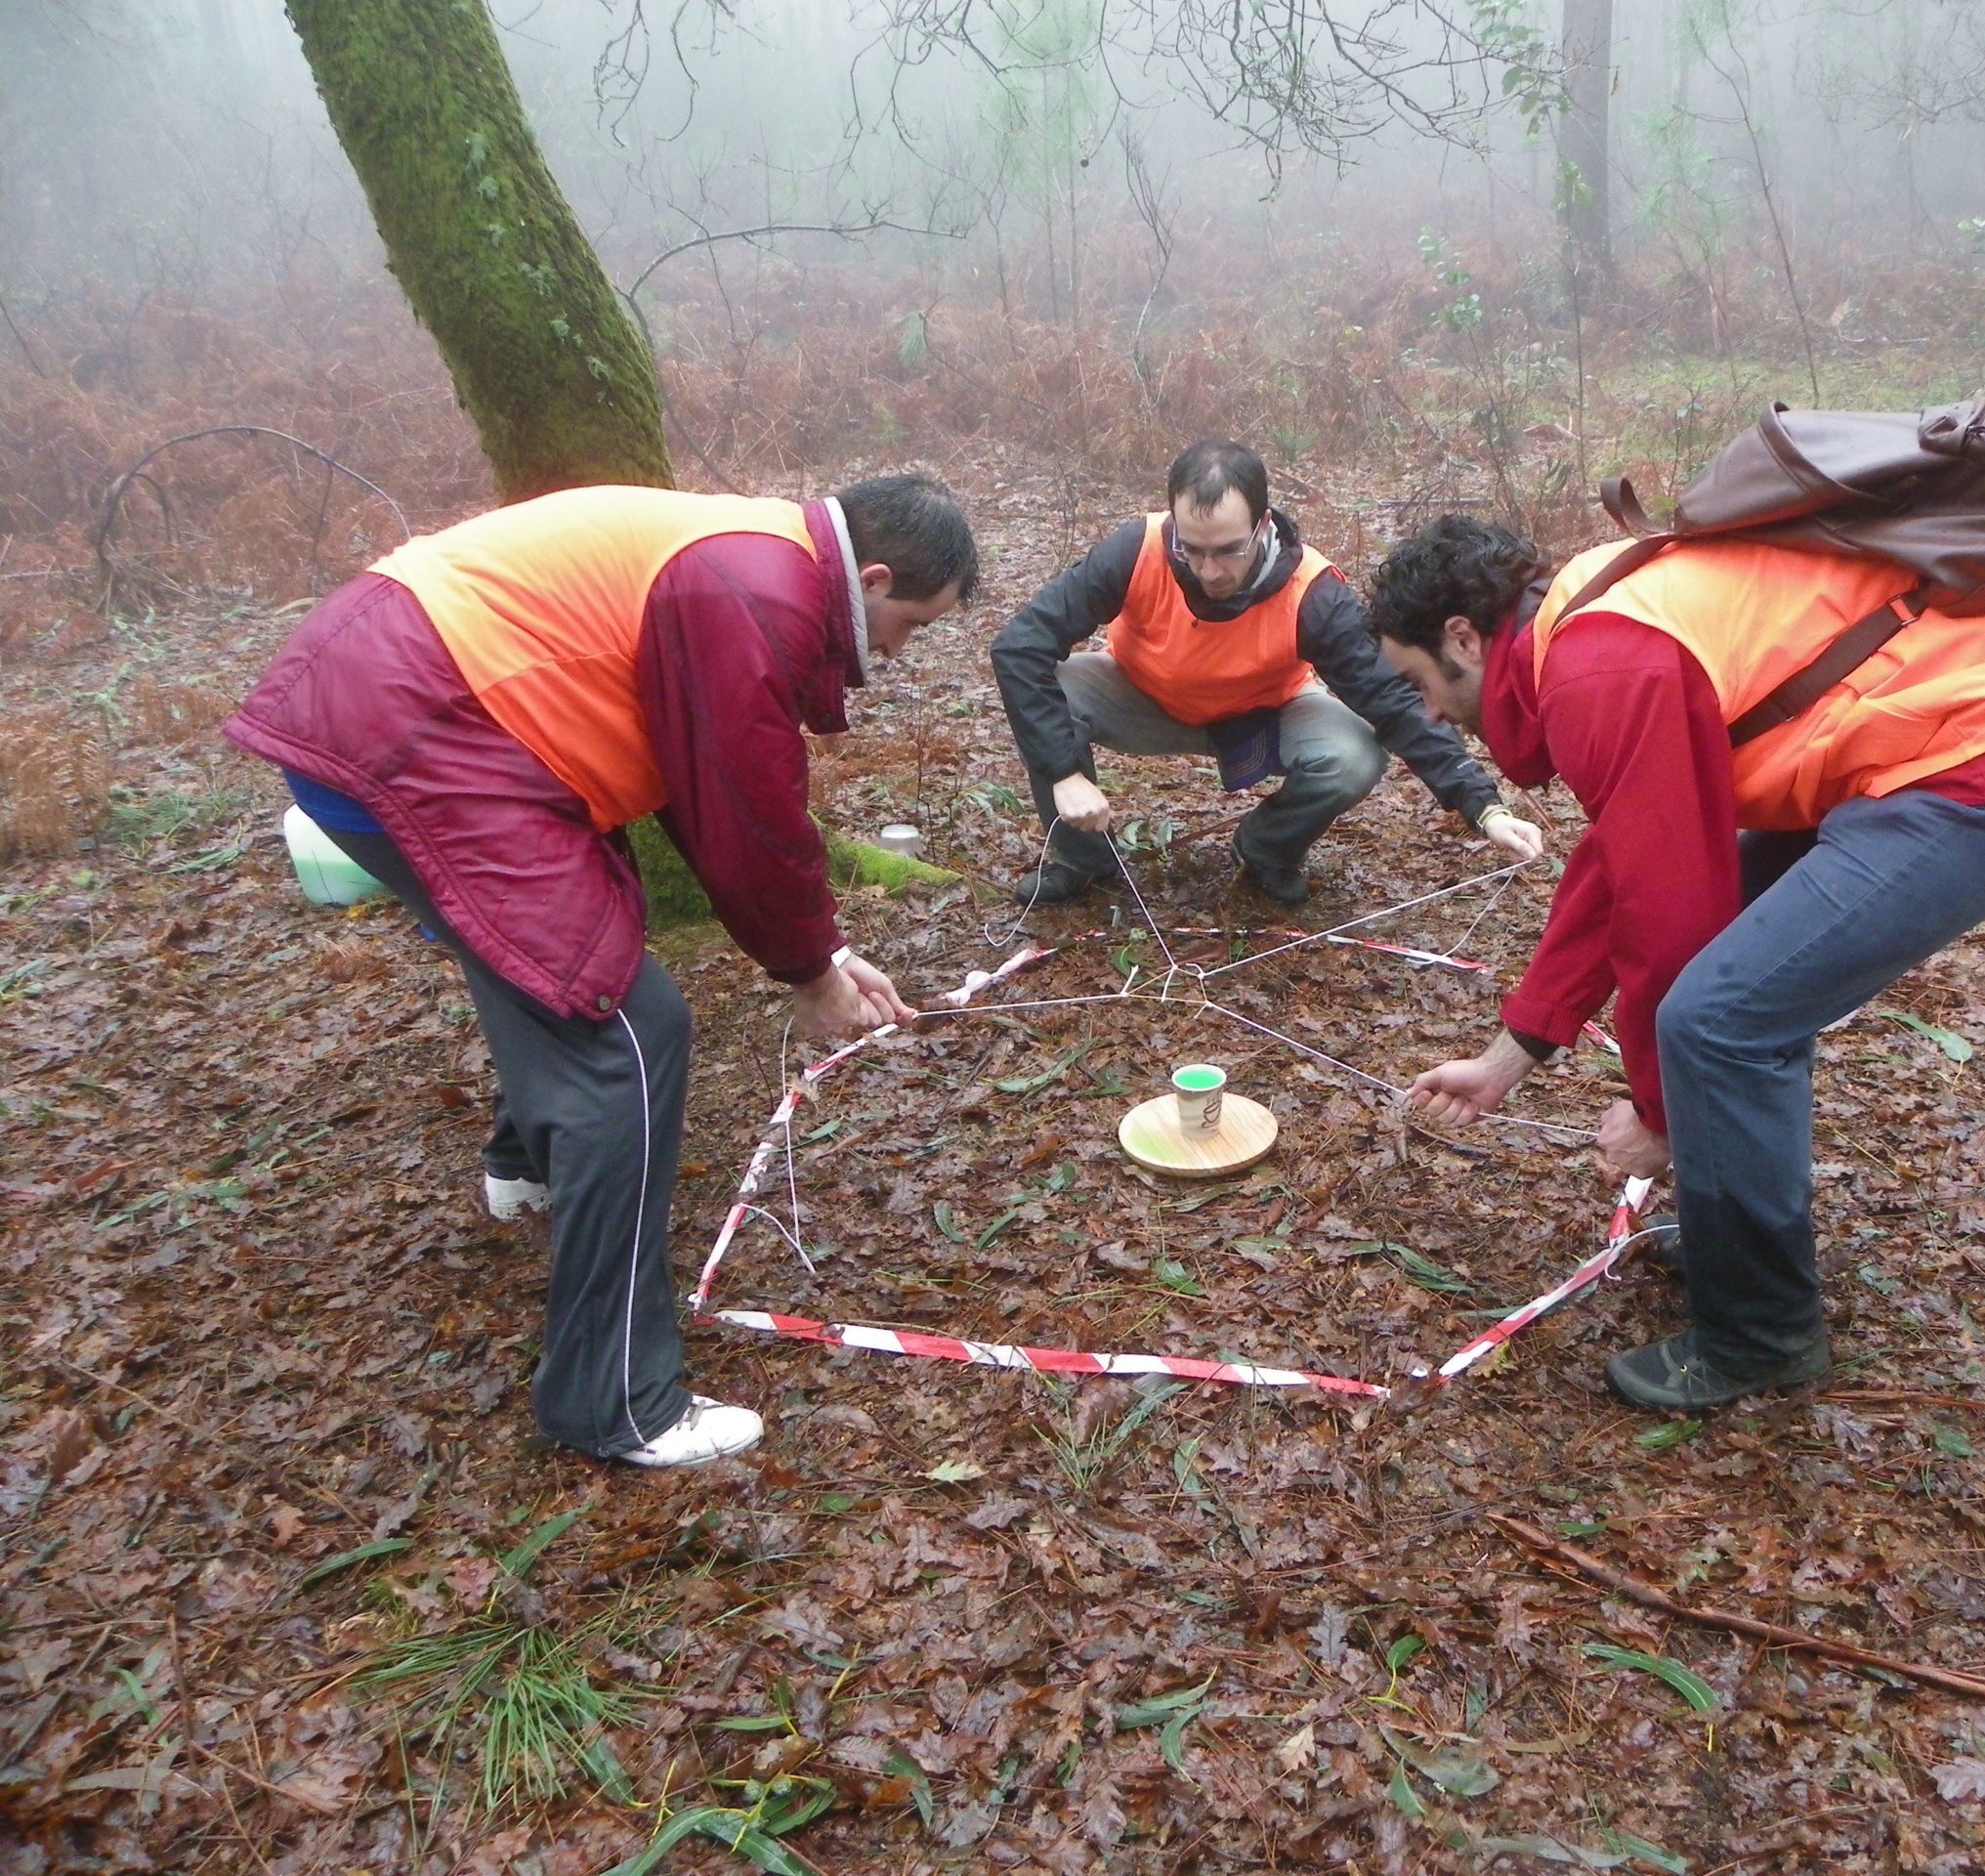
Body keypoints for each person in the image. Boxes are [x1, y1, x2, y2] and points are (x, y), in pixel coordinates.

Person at [225, 477, 978, 1467]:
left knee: (553, 951)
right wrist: (809, 973)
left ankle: (524, 1172)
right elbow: (746, 810)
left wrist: (823, 946)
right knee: (627, 1033)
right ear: (871, 579)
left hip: (386, 712)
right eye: (909, 624)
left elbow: (698, 781)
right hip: (415, 723)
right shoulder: (755, 592)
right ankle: (617, 1400)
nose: (895, 651)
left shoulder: (753, 558)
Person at [1369, 514, 1985, 1411]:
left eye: (1417, 681)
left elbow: (1670, 920)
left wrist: (1662, 1115)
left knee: (1722, 1018)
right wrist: (1513, 1055)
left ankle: (1759, 1334)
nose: (1426, 714)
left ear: (1463, 638)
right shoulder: (1581, 621)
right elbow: (1620, 865)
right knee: (1728, 1007)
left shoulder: (1598, 667)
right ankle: (1728, 1220)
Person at [990, 440, 1541, 906]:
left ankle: (1266, 848)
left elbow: (1392, 700)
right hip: (1141, 697)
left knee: (1354, 754)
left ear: (1264, 525)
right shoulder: (1136, 550)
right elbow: (1021, 647)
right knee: (1056, 687)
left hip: (1263, 715)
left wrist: (1481, 804)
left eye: (1228, 551)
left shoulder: (1314, 593)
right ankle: (1085, 859)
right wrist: (1064, 772)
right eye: (1192, 549)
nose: (1208, 570)